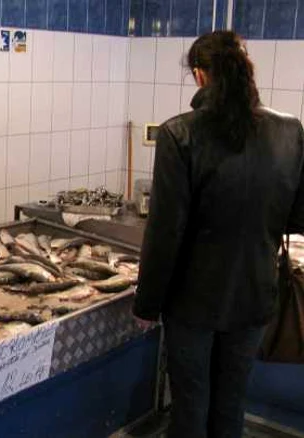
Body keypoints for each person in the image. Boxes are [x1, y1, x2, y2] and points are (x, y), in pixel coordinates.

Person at [133, 31, 304, 438]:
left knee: (190, 405)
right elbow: (298, 219)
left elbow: (165, 232)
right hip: (256, 296)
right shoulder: (291, 131)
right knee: (231, 404)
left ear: (200, 75)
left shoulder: (179, 134)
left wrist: (147, 304)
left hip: (193, 303)